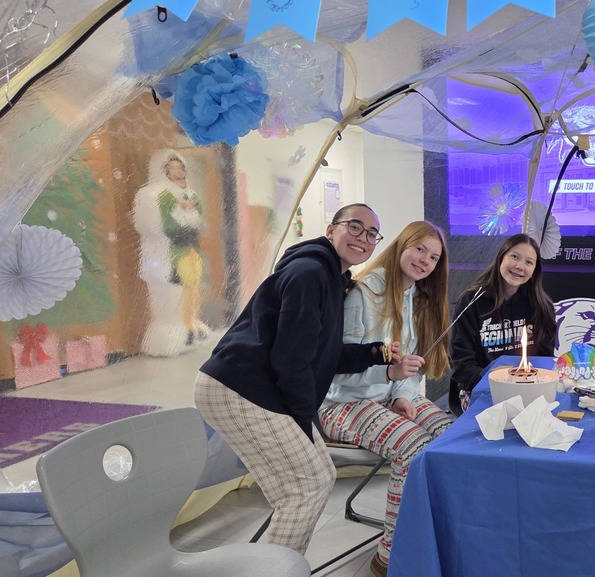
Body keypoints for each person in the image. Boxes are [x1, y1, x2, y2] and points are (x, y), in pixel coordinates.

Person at [194, 204, 413, 555]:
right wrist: (302, 420)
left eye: (372, 234)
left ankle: (277, 562)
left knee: (317, 477)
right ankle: (277, 568)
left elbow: (321, 354)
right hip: (238, 388)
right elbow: (291, 360)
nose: (363, 238)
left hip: (263, 388)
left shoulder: (333, 280)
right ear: (331, 229)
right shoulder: (310, 273)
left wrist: (375, 353)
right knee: (308, 484)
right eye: (354, 227)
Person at [319, 220, 454, 577]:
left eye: (434, 257)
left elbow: (405, 368)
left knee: (451, 436)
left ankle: (433, 535)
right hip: (341, 403)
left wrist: (402, 395)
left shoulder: (411, 297)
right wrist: (388, 375)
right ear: (400, 246)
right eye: (419, 249)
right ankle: (389, 556)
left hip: (382, 398)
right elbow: (335, 368)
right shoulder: (363, 292)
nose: (425, 260)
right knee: (413, 446)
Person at [448, 233, 557, 415]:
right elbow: (461, 364)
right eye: (514, 257)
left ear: (534, 271)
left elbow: (544, 362)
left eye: (529, 262)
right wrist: (497, 384)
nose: (519, 266)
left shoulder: (542, 307)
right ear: (501, 258)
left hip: (528, 391)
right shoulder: (472, 302)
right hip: (481, 391)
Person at [132, 150, 208, 356]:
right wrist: (182, 211)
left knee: (192, 288)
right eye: (172, 168)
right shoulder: (154, 195)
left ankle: (191, 325)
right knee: (174, 289)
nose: (178, 172)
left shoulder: (191, 195)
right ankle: (173, 328)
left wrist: (189, 211)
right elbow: (157, 226)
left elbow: (198, 221)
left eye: (181, 167)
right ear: (163, 170)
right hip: (169, 253)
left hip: (191, 249)